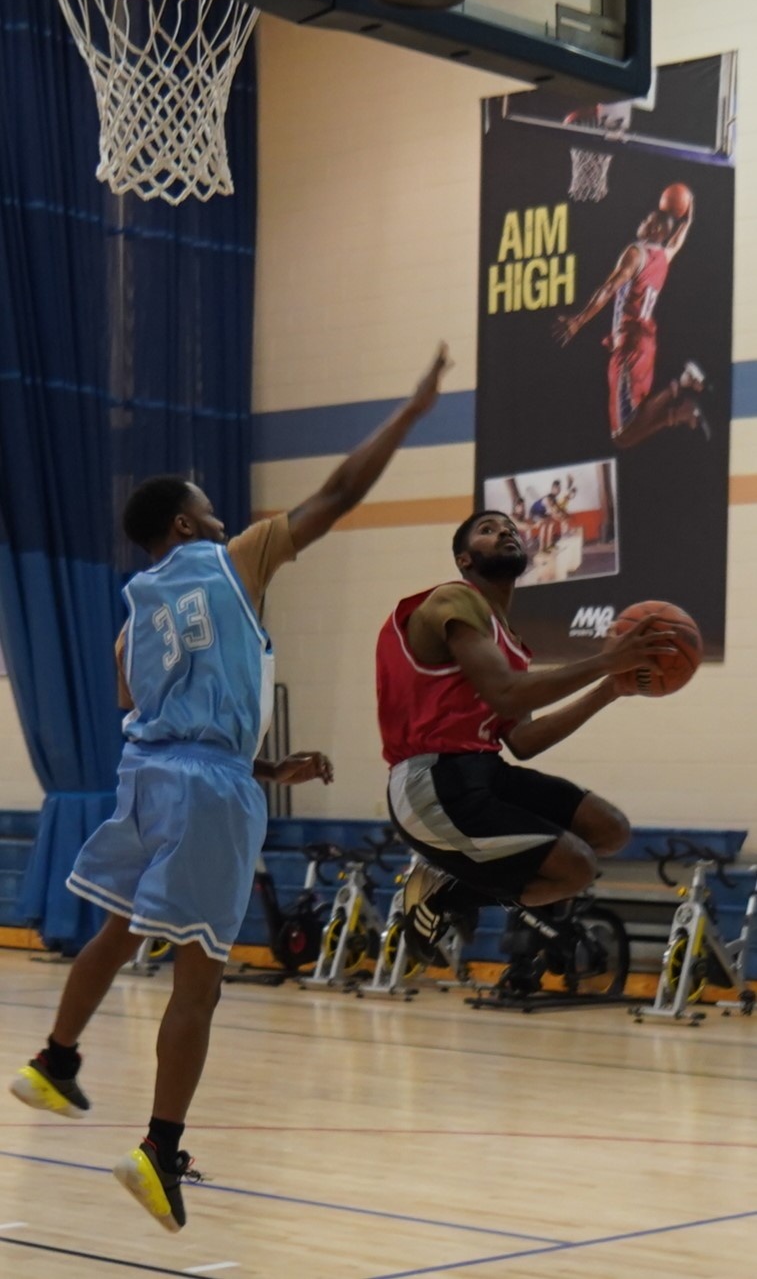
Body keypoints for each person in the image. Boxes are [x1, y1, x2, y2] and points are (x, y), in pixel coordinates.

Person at [10, 343, 451, 1233]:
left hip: (146, 776)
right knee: (199, 979)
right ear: (181, 523)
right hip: (206, 789)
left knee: (119, 925)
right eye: (205, 508)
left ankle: (54, 1060)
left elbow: (140, 703)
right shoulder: (234, 559)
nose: (220, 515)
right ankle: (158, 1148)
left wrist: (259, 764)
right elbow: (335, 497)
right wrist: (407, 416)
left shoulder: (134, 606)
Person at [375, 509, 677, 959]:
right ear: (464, 559)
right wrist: (604, 660)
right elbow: (506, 695)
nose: (504, 533)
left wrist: (610, 688)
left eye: (510, 529)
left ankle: (449, 888)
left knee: (609, 830)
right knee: (574, 869)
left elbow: (524, 741)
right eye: (488, 529)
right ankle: (448, 893)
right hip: (430, 783)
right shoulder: (450, 599)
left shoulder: (511, 642)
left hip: (483, 771)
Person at [553, 194, 709, 448]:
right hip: (645, 341)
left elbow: (608, 288)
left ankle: (682, 384)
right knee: (632, 425)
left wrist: (578, 321)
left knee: (621, 434)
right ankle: (678, 409)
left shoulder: (636, 253)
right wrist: (687, 219)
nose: (641, 222)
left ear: (656, 228)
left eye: (647, 220)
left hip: (629, 344)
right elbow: (677, 241)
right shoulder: (663, 257)